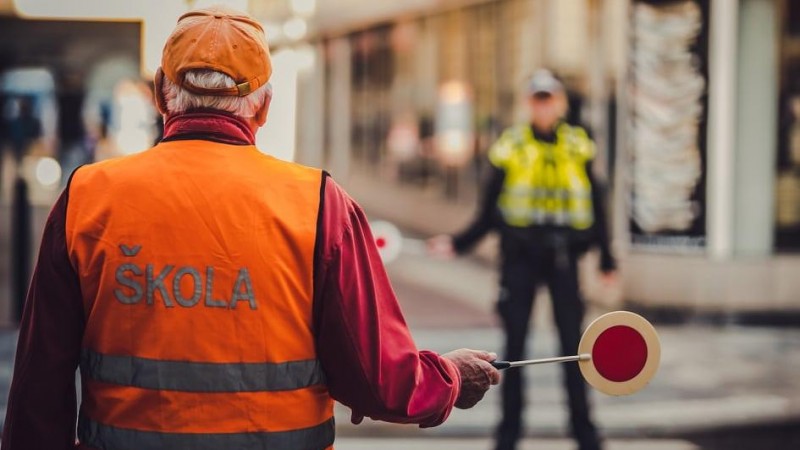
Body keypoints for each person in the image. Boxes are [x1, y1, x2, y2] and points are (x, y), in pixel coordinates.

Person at [1, 7, 500, 450]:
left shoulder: (88, 196)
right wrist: (449, 376)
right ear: (262, 106)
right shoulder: (319, 204)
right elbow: (381, 379)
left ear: (160, 94)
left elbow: (37, 389)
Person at [429, 69, 616, 450]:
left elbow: (597, 203)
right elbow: (489, 209)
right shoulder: (510, 145)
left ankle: (586, 434)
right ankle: (508, 436)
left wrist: (607, 258)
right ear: (529, 103)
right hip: (521, 260)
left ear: (560, 102)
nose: (544, 106)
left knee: (575, 350)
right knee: (513, 351)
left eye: (550, 98)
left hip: (564, 258)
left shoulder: (578, 144)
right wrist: (458, 244)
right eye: (538, 99)